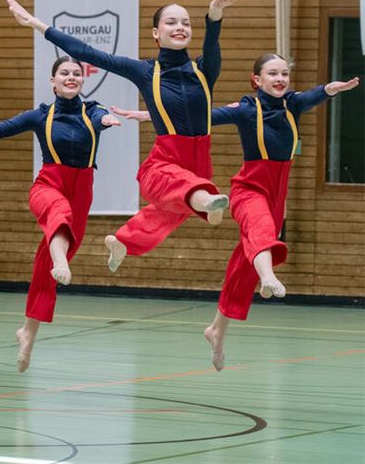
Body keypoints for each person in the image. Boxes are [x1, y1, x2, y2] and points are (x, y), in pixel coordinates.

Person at [116, 57, 359, 370]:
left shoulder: (292, 105)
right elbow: (202, 117)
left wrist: (331, 88)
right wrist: (148, 115)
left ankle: (217, 330)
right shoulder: (246, 108)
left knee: (242, 271)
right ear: (256, 79)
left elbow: (315, 94)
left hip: (276, 194)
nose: (280, 78)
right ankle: (269, 276)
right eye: (273, 73)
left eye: (285, 73)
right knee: (261, 232)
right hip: (249, 189)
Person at [4, 0, 240, 272]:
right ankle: (206, 200)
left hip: (201, 164)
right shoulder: (144, 71)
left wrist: (215, 15)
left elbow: (212, 45)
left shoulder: (204, 71)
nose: (180, 27)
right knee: (180, 189)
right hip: (166, 160)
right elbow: (86, 53)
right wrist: (36, 24)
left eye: (186, 23)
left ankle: (124, 241)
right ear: (156, 33)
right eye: (171, 22)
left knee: (165, 216)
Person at [0, 56, 120, 372]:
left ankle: (27, 332)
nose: (71, 77)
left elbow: (99, 119)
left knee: (45, 268)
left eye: (76, 74)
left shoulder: (92, 110)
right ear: (53, 82)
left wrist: (106, 121)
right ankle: (61, 260)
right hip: (48, 185)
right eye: (64, 73)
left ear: (83, 81)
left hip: (82, 191)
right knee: (59, 214)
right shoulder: (40, 116)